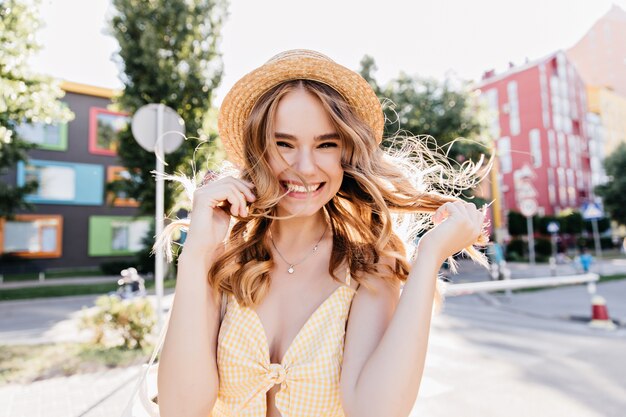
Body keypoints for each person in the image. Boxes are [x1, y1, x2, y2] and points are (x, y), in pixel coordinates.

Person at [155, 50, 489, 417]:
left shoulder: (367, 267)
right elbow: (180, 410)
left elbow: (375, 411)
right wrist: (197, 254)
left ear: (346, 151)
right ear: (258, 149)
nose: (305, 167)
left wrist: (428, 260)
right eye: (283, 143)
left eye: (325, 144)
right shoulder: (223, 259)